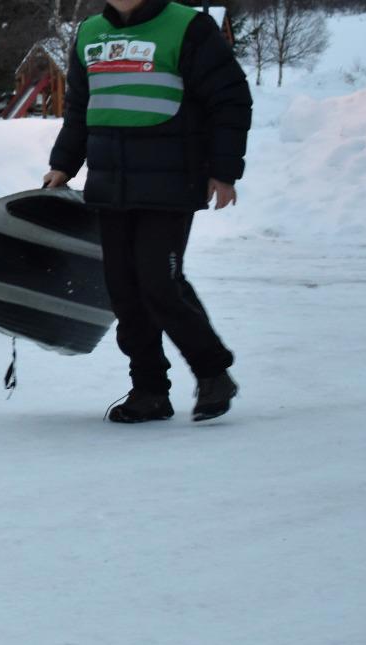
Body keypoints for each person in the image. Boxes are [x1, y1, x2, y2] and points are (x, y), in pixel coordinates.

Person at [43, 0, 251, 423]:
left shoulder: (188, 27)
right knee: (124, 290)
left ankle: (213, 372)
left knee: (159, 281)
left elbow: (230, 100)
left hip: (171, 180)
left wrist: (224, 171)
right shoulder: (89, 33)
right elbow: (80, 108)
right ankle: (150, 389)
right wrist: (63, 164)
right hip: (109, 183)